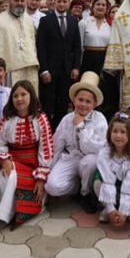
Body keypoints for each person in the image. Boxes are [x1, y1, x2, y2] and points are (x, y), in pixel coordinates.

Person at [0, 80, 53, 227]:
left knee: (37, 194)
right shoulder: (6, 120)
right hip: (13, 160)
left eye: (23, 94)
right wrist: (4, 159)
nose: (19, 99)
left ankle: (17, 212)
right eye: (15, 96)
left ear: (32, 96)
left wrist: (41, 178)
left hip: (34, 165)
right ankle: (5, 215)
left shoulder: (40, 119)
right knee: (9, 177)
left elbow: (46, 149)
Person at [45, 72, 107, 212]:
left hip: (90, 158)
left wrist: (80, 127)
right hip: (71, 157)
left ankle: (86, 193)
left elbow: (98, 148)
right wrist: (47, 171)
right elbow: (57, 146)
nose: (83, 104)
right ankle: (77, 187)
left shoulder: (100, 119)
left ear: (94, 104)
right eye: (80, 100)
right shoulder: (67, 119)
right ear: (74, 100)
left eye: (88, 101)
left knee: (89, 162)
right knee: (52, 186)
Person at [37, 0, 81, 129]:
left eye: (64, 1)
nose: (61, 4)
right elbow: (41, 47)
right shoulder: (45, 20)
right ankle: (46, 133)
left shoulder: (73, 21)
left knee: (62, 105)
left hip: (66, 71)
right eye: (59, 1)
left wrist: (75, 67)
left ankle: (60, 133)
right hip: (50, 71)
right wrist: (43, 70)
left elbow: (77, 46)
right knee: (48, 105)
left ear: (68, 3)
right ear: (54, 2)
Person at [93, 112, 130, 225]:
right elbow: (107, 179)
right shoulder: (105, 152)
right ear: (109, 133)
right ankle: (108, 208)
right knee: (98, 182)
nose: (118, 136)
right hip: (113, 188)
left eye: (123, 132)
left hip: (129, 189)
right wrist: (111, 210)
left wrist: (123, 212)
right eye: (115, 131)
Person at [0, 0, 39, 89]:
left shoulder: (28, 20)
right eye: (16, 0)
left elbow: (33, 44)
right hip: (12, 68)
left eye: (22, 1)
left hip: (30, 67)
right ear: (9, 1)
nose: (19, 3)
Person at [79, 0, 111, 75]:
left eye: (103, 5)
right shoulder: (84, 22)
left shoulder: (110, 25)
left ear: (107, 8)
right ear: (93, 6)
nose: (100, 7)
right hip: (88, 58)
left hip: (104, 59)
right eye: (98, 4)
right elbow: (79, 45)